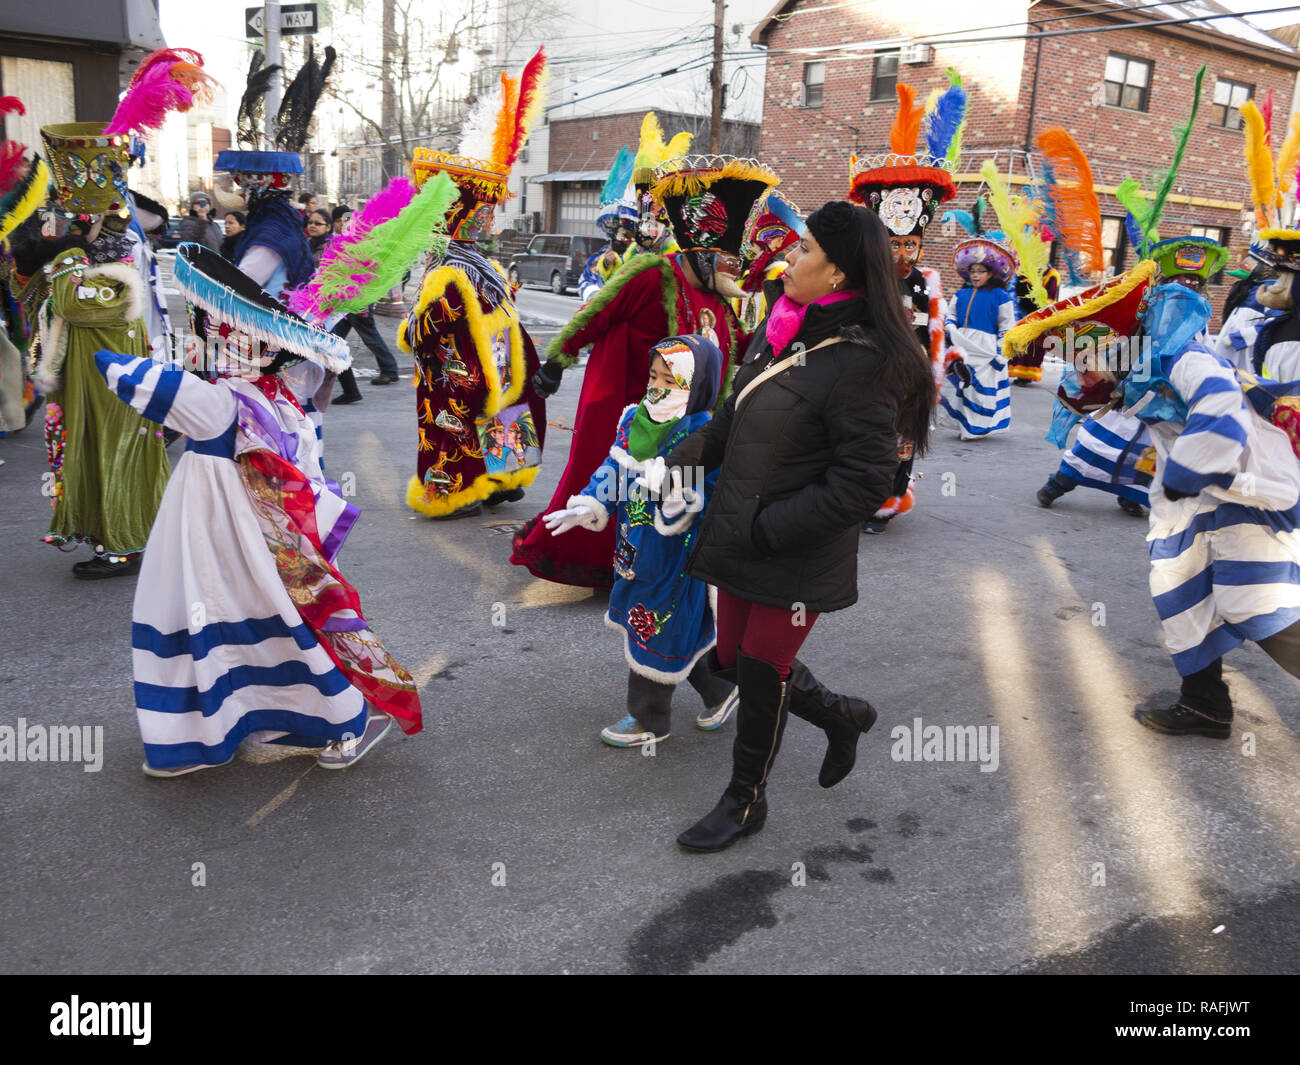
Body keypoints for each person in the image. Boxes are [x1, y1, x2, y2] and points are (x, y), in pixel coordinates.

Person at [651, 201, 934, 852]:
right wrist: (673, 466)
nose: (787, 257)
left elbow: (863, 481)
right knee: (729, 658)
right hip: (742, 528)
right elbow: (728, 420)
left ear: (838, 274)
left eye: (803, 250)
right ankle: (842, 715)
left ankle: (744, 799)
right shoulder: (780, 329)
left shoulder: (861, 359)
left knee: (761, 668)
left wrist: (771, 526)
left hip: (794, 547)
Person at [97, 242, 421, 775]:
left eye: (220, 332)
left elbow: (130, 377)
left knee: (257, 619)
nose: (210, 338)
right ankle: (261, 715)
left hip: (238, 532)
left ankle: (345, 716)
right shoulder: (276, 396)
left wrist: (107, 345)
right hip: (249, 531)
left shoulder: (225, 401)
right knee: (248, 620)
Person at [512, 155, 771, 587]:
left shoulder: (720, 299)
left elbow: (742, 345)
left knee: (667, 493)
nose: (734, 268)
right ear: (703, 251)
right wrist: (557, 359)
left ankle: (651, 569)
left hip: (685, 420)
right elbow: (596, 313)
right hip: (623, 403)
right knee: (608, 482)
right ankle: (591, 560)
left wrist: (784, 315)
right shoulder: (652, 275)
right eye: (728, 257)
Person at [544, 334, 738, 746]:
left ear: (697, 385)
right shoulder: (634, 420)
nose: (657, 388)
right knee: (679, 632)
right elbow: (611, 471)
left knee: (655, 626)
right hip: (634, 549)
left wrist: (677, 497)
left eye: (670, 381)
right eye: (653, 376)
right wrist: (590, 505)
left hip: (674, 557)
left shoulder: (704, 432)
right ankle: (720, 689)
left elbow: (712, 494)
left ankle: (649, 719)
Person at [402, 47, 549, 519]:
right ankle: (504, 479)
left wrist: (409, 333)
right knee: (501, 411)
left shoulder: (448, 268)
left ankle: (461, 489)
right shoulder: (481, 266)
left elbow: (435, 325)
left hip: (463, 367)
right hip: (502, 357)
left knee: (459, 419)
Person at [24, 120, 171, 578]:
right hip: (96, 387)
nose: (62, 225)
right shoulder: (94, 268)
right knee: (97, 456)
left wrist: (67, 251)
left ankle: (125, 546)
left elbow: (70, 300)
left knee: (117, 459)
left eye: (74, 221)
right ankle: (115, 537)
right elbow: (40, 301)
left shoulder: (114, 277)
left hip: (114, 390)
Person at [848, 77, 964, 530]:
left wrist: (951, 358)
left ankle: (890, 499)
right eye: (893, 245)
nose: (902, 255)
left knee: (902, 444)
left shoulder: (929, 282)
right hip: (868, 375)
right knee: (865, 441)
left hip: (910, 380)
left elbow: (937, 331)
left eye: (910, 245)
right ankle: (858, 497)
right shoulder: (861, 279)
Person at [942, 235, 1017, 440]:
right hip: (963, 344)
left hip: (986, 347)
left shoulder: (1000, 296)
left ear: (990, 273)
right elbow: (952, 315)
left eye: (980, 272)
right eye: (972, 271)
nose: (975, 275)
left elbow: (1007, 326)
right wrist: (950, 326)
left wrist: (1002, 352)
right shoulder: (961, 294)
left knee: (981, 388)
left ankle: (976, 426)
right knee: (964, 386)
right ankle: (965, 424)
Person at [578, 146, 638, 303]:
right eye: (617, 230)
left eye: (626, 232)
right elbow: (585, 281)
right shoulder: (602, 256)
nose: (619, 236)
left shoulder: (646, 258)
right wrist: (594, 298)